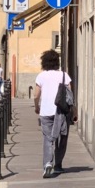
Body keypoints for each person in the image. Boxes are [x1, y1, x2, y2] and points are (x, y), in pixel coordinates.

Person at [33, 50, 77, 178]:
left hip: (46, 112)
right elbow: (70, 96)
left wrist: (37, 107)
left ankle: (47, 163)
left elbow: (36, 95)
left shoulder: (41, 76)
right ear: (57, 62)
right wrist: (74, 112)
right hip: (61, 112)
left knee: (48, 139)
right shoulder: (64, 75)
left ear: (44, 62)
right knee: (62, 138)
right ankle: (58, 165)